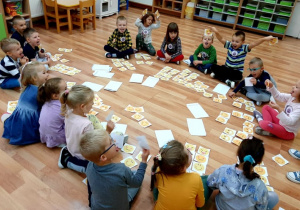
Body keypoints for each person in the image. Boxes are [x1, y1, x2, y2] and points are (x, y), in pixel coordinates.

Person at [79, 129, 150, 209]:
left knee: (130, 175)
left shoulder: (89, 165)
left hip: (96, 206)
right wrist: (144, 161)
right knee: (135, 178)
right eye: (111, 142)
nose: (115, 141)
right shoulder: (121, 170)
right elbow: (137, 182)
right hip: (119, 207)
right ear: (103, 157)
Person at [207, 137, 279, 210]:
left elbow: (210, 183)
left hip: (220, 207)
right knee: (274, 197)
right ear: (259, 162)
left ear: (238, 154)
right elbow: (261, 208)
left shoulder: (223, 170)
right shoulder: (260, 187)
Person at [58, 85, 114, 173]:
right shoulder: (86, 124)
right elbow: (94, 145)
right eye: (91, 102)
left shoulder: (68, 112)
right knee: (94, 168)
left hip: (71, 145)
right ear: (82, 106)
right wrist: (108, 131)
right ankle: (67, 160)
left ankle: (68, 153)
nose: (93, 104)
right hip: (81, 155)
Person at [209, 27, 274, 88]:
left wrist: (264, 39)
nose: (234, 43)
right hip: (227, 68)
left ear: (243, 42)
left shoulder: (244, 48)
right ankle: (226, 80)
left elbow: (254, 43)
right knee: (213, 66)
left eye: (237, 42)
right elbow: (221, 39)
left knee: (238, 77)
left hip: (236, 71)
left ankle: (218, 76)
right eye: (233, 41)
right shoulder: (229, 45)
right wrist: (216, 31)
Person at [2, 62, 49, 145]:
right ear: (34, 78)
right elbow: (46, 107)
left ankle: (7, 120)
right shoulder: (38, 92)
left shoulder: (28, 87)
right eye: (44, 73)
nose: (47, 75)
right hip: (28, 122)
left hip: (20, 117)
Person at [151, 140, 206, 210]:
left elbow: (157, 186)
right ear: (183, 168)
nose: (189, 152)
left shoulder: (159, 171)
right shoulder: (196, 178)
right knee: (206, 182)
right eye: (188, 153)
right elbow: (200, 204)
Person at [38, 77, 67, 148]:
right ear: (55, 96)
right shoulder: (61, 106)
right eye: (65, 89)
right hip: (56, 137)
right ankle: (60, 143)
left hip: (44, 135)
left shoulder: (46, 102)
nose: (68, 90)